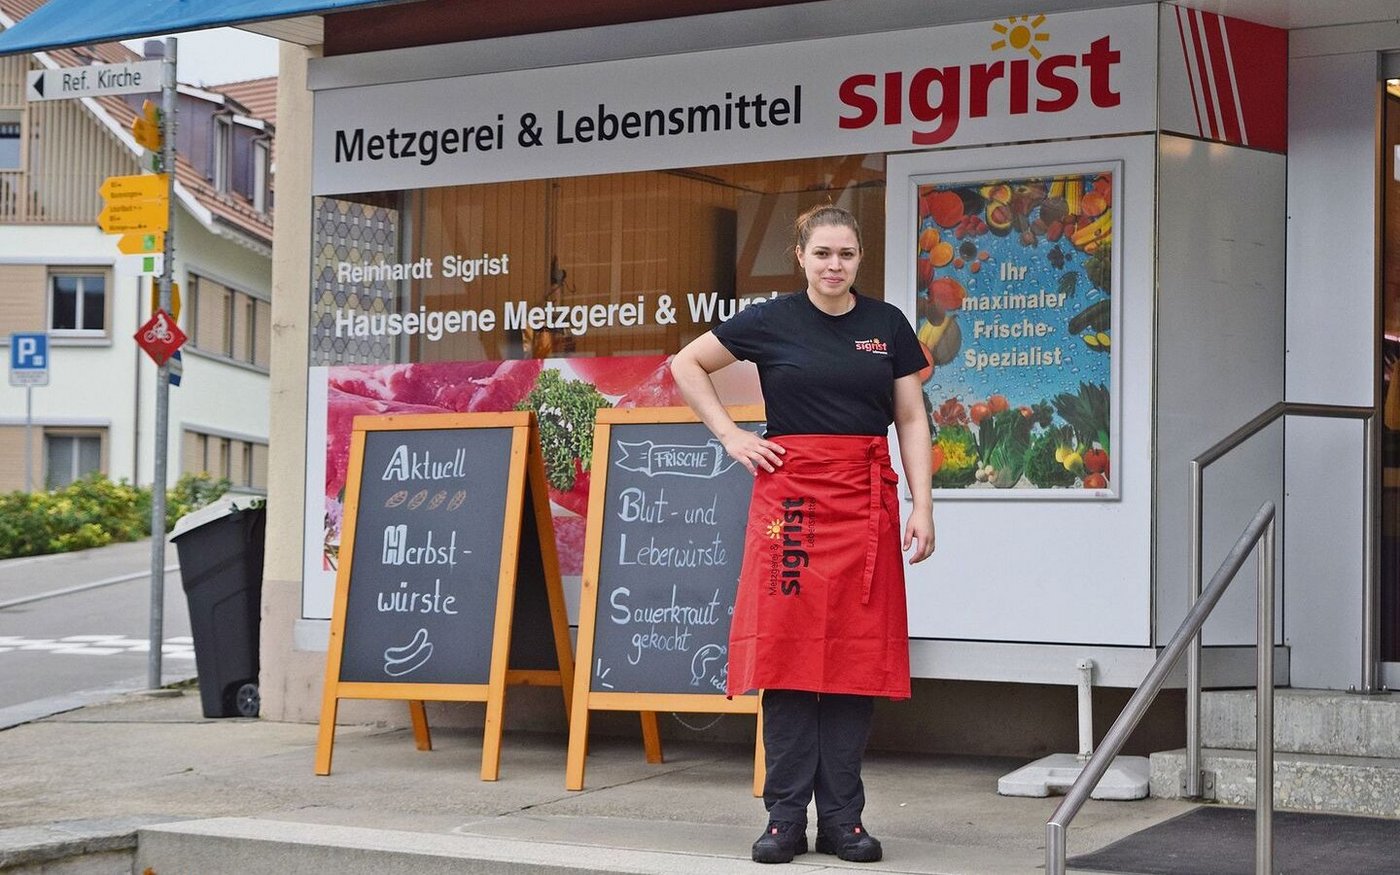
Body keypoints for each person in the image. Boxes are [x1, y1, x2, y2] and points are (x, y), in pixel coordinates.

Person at [670, 204, 935, 864]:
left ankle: (844, 819)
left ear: (860, 257)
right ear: (801, 256)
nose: (834, 265)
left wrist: (922, 504)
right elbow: (686, 364)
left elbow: (910, 418)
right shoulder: (770, 319)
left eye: (845, 254)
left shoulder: (888, 326)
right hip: (790, 506)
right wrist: (731, 435)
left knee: (854, 662)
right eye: (823, 254)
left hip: (865, 502)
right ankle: (785, 817)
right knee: (787, 659)